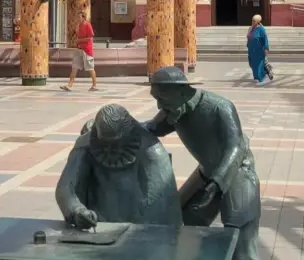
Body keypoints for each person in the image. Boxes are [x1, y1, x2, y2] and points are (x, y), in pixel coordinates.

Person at [143, 67, 260, 260]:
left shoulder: (220, 107)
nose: (158, 106)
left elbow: (236, 148)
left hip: (236, 172)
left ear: (181, 91)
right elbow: (151, 128)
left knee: (241, 236)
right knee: (179, 219)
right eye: (156, 98)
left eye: (161, 98)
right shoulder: (173, 109)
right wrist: (114, 125)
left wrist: (216, 184)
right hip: (207, 172)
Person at [55, 104, 181, 228]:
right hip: (99, 226)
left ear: (128, 134)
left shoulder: (152, 150)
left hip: (139, 227)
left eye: (116, 143)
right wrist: (76, 210)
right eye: (104, 143)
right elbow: (67, 187)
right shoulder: (85, 144)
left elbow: (162, 202)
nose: (109, 149)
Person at [62, 11, 98, 92]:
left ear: (83, 17)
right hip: (79, 49)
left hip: (87, 50)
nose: (77, 18)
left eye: (79, 17)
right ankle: (69, 85)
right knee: (74, 67)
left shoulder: (87, 25)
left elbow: (90, 38)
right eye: (77, 17)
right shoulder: (78, 26)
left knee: (90, 68)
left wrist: (80, 40)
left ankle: (94, 85)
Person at [246, 14, 270, 85]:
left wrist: (266, 48)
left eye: (254, 21)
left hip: (259, 50)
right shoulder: (250, 28)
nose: (253, 22)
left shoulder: (261, 29)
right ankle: (265, 71)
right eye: (252, 20)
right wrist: (248, 45)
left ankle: (259, 77)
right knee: (252, 64)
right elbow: (249, 38)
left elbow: (265, 39)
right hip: (251, 49)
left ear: (258, 21)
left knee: (258, 65)